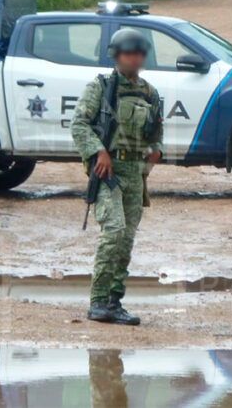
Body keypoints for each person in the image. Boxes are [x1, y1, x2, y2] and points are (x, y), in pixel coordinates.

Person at [71, 28, 163, 325]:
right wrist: (99, 151)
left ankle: (114, 302)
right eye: (128, 53)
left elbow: (157, 132)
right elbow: (79, 125)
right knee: (113, 231)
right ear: (116, 55)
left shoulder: (150, 93)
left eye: (138, 53)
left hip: (135, 173)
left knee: (126, 239)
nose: (134, 58)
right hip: (108, 171)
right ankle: (98, 302)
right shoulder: (101, 87)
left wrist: (156, 151)